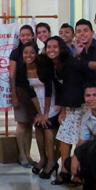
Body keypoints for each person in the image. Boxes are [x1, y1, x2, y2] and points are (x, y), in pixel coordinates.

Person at [45, 36, 96, 185]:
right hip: (70, 106)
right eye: (49, 47)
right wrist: (63, 109)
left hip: (83, 105)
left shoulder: (73, 63)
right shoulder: (54, 65)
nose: (51, 50)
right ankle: (65, 171)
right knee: (64, 138)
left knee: (82, 139)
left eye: (55, 47)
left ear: (61, 48)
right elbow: (63, 89)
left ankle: (78, 173)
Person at [17, 42, 60, 179]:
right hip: (37, 102)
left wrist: (46, 114)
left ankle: (52, 161)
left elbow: (48, 90)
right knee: (38, 126)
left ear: (36, 54)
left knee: (47, 126)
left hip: (51, 99)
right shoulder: (22, 69)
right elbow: (30, 93)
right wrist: (39, 114)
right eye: (25, 53)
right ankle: (43, 159)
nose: (28, 55)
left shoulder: (43, 66)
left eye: (31, 52)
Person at [9, 25, 36, 167]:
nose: (25, 37)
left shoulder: (36, 51)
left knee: (30, 123)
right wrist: (14, 95)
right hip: (20, 90)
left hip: (34, 92)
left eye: (27, 35)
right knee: (22, 123)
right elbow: (12, 74)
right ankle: (21, 154)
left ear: (32, 35)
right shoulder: (16, 53)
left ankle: (28, 154)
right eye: (22, 35)